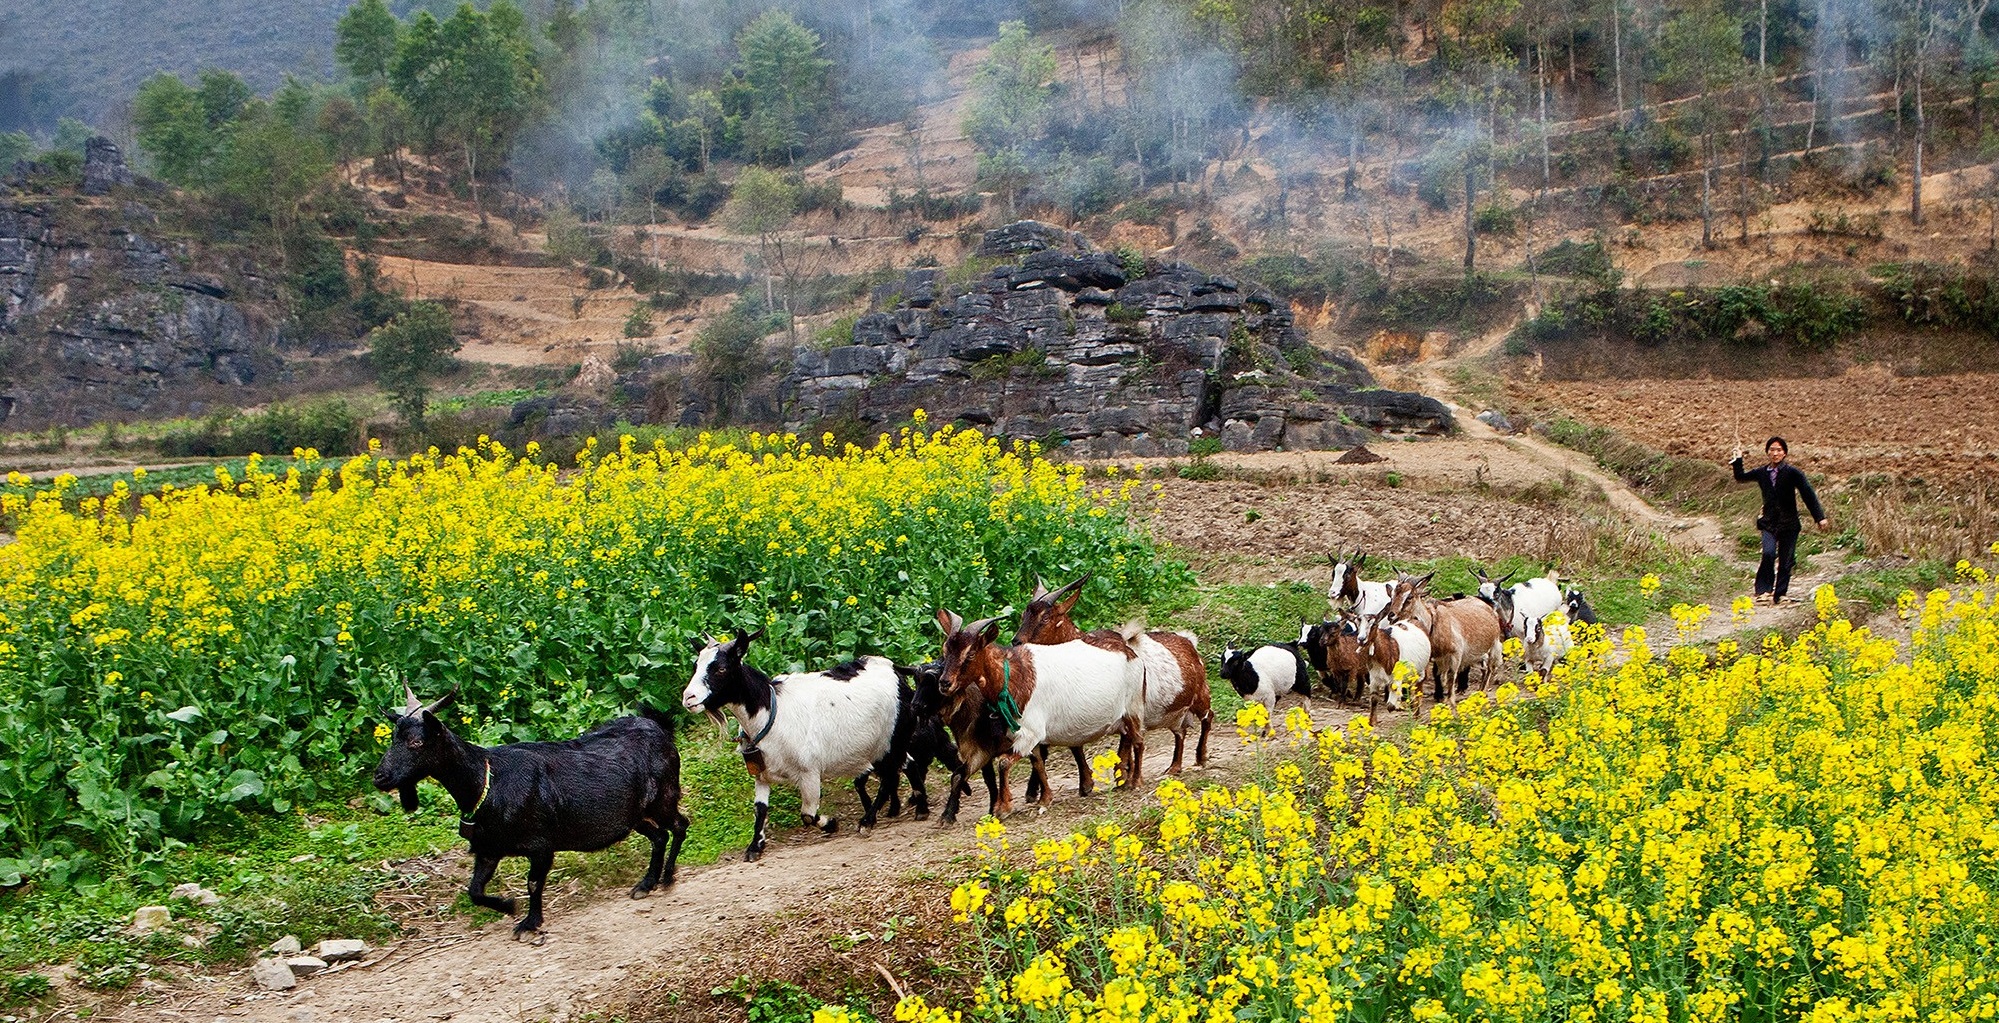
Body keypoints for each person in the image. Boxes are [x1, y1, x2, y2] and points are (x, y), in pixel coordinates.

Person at [1731, 436, 1829, 606]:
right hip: (1769, 522)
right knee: (1768, 553)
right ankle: (1764, 591)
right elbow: (1741, 477)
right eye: (1772, 450)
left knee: (1786, 559)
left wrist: (1819, 517)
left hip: (1789, 523)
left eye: (1778, 450)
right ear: (1767, 452)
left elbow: (1808, 494)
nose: (1775, 453)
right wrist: (1738, 459)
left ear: (1784, 453)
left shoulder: (1793, 473)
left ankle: (1780, 594)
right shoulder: (1762, 473)